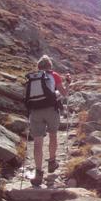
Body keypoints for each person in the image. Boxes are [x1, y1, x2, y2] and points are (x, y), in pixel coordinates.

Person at [26, 55, 70, 186]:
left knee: (37, 142)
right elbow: (64, 94)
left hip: (35, 111)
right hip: (51, 110)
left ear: (38, 67)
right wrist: (68, 83)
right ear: (50, 66)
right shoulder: (54, 75)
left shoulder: (33, 77)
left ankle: (38, 173)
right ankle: (52, 162)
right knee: (53, 135)